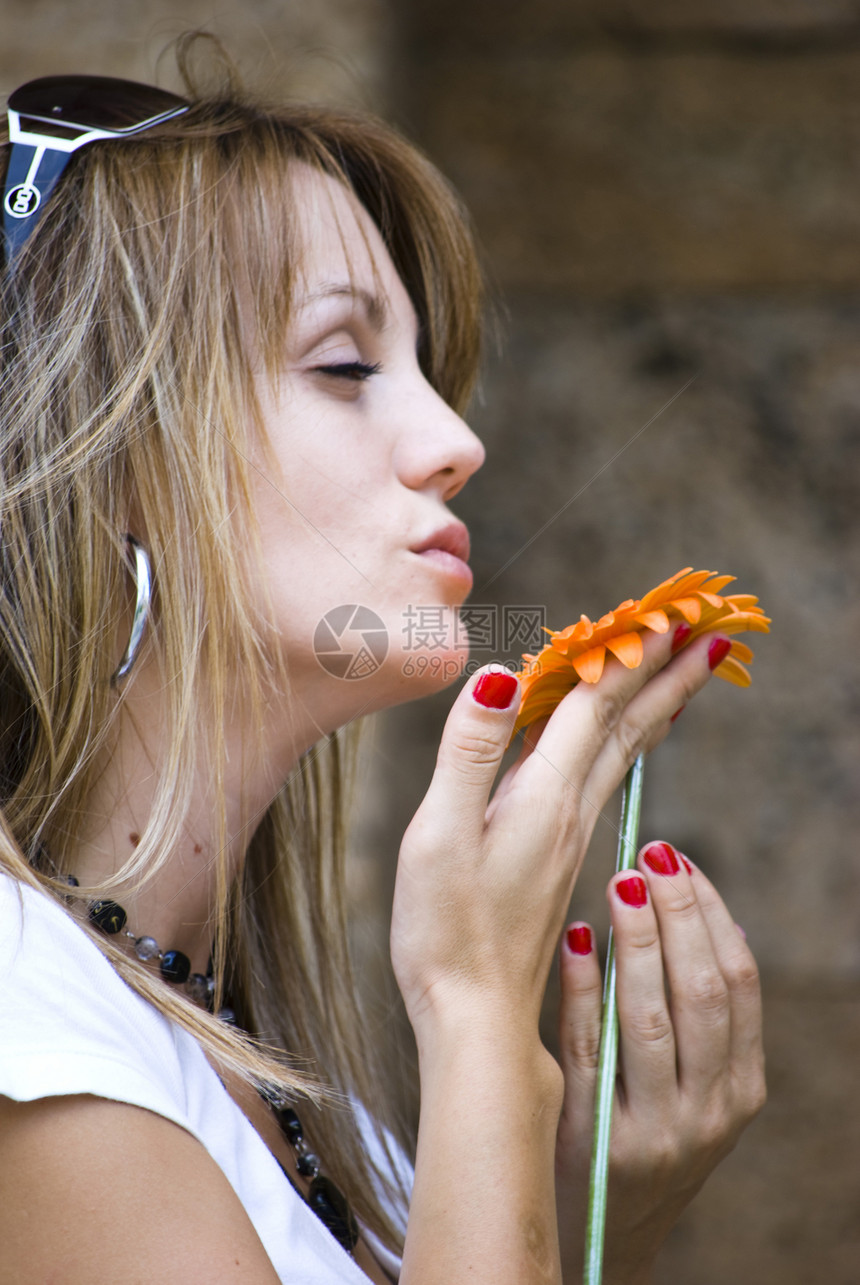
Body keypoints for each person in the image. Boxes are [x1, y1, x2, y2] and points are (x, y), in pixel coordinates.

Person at [0, 39, 765, 1285]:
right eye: (345, 364)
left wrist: (593, 1223)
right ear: (113, 467)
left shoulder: (323, 1118)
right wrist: (474, 1018)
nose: (455, 440)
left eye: (422, 367)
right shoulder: (24, 1031)